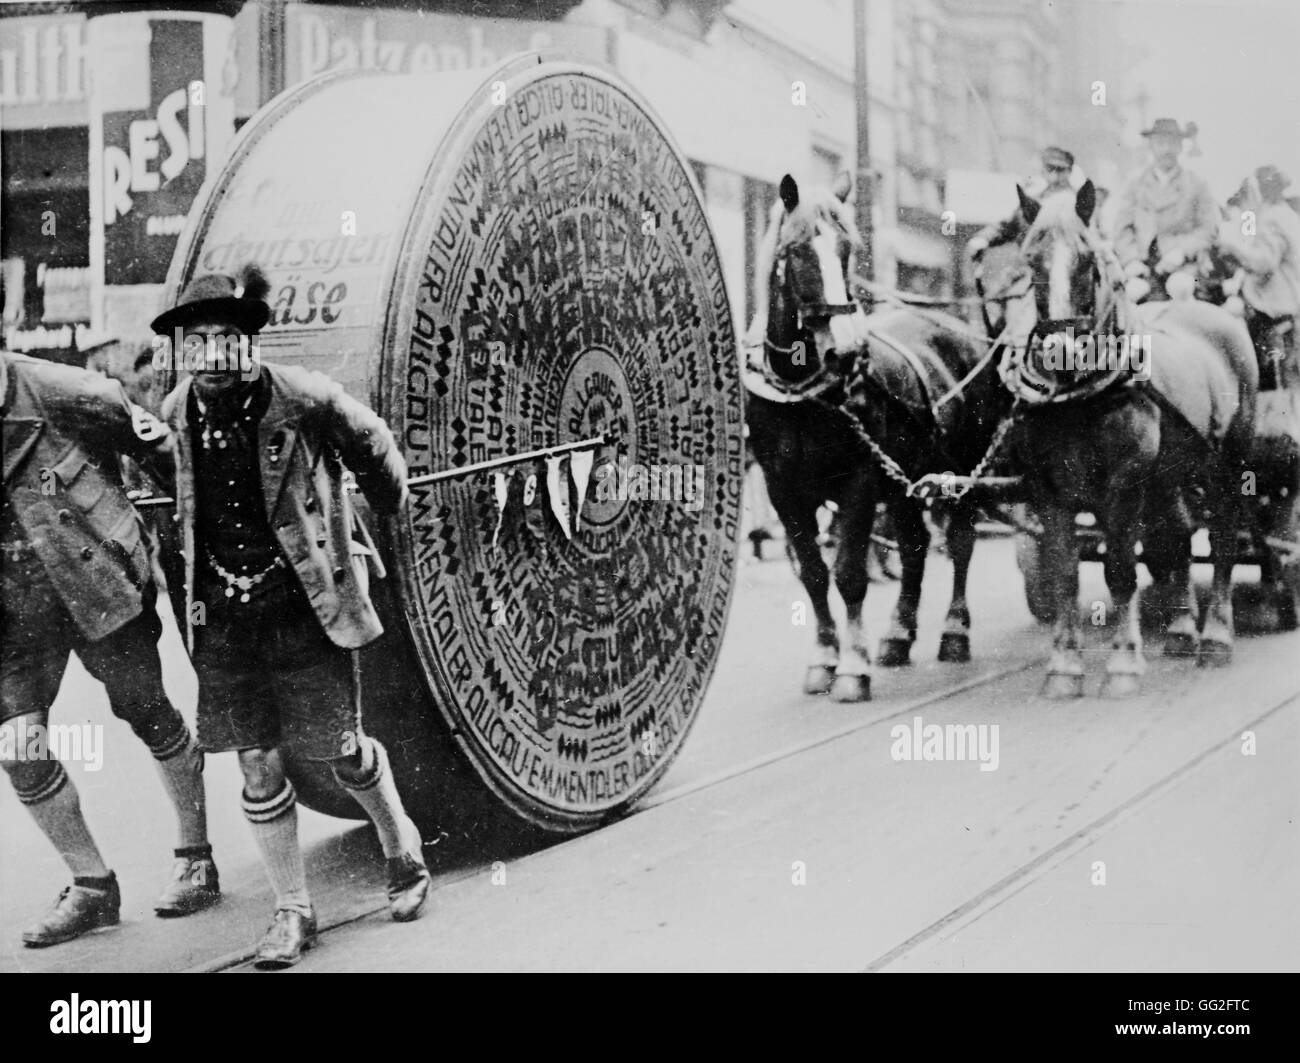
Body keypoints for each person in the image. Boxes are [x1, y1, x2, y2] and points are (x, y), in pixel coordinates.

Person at [152, 265, 431, 969]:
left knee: (340, 749)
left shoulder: (302, 398)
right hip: (224, 614)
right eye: (198, 339)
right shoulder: (176, 408)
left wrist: (377, 517)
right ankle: (292, 909)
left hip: (307, 606)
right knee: (255, 759)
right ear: (185, 349)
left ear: (248, 342)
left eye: (226, 336)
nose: (212, 353)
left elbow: (374, 446)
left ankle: (402, 847)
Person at [1, 348, 218, 948]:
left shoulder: (65, 389)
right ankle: (92, 887)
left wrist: (191, 535)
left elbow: (167, 454)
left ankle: (195, 856)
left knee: (149, 715)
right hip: (14, 609)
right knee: (18, 746)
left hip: (99, 583)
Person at [1113, 118, 1218, 303]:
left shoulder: (1196, 183)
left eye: (1172, 143)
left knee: (1180, 288)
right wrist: (1131, 260)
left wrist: (1182, 252)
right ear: (1151, 147)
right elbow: (1122, 228)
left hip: (1183, 266)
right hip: (1143, 265)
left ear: (1180, 147)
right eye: (1160, 143)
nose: (1167, 149)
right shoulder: (1135, 182)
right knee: (1131, 295)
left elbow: (1208, 229)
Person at [1216, 165, 1300, 388]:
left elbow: (1264, 262)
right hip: (1286, 312)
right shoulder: (1286, 214)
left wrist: (1232, 248)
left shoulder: (1270, 219)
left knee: (1272, 383)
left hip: (1273, 312)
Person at [966, 146, 1079, 262]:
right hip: (1030, 266)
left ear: (1069, 171)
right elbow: (1007, 226)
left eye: (1060, 170)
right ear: (1043, 171)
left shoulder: (1079, 203)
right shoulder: (1031, 201)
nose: (1055, 174)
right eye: (1050, 168)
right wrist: (983, 238)